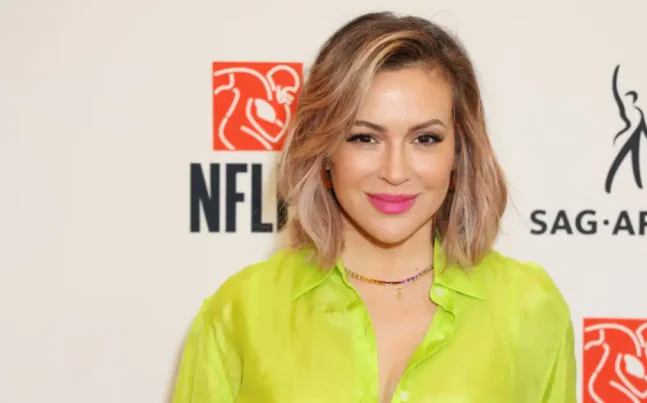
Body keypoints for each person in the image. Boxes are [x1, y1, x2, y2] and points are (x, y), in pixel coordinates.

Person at [172, 11, 576, 403]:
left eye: (425, 139)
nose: (395, 172)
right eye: (364, 138)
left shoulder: (529, 307)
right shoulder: (240, 311)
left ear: (459, 152)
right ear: (325, 150)